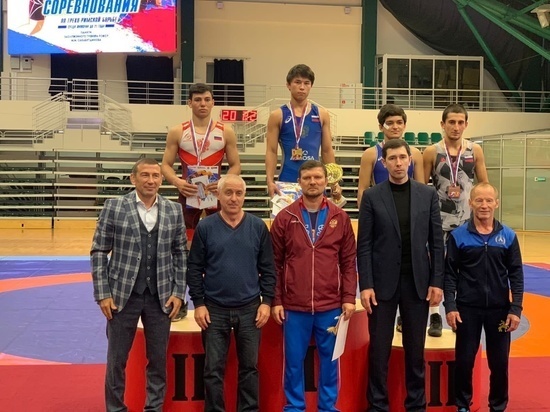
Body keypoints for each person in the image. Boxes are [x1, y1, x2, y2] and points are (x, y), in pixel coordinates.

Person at [91, 158, 187, 412]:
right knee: (116, 361)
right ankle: (115, 409)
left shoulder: (173, 210)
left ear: (161, 180)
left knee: (157, 361)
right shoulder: (114, 207)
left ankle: (153, 408)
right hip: (122, 296)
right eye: (145, 175)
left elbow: (180, 253)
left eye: (155, 175)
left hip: (161, 297)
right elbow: (99, 251)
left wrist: (179, 292)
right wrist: (103, 293)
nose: (151, 180)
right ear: (133, 178)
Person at [357, 139, 444, 412]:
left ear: (410, 160)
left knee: (415, 351)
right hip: (381, 285)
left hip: (417, 283)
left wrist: (436, 282)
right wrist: (366, 284)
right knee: (379, 351)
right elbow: (364, 244)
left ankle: (416, 406)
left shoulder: (427, 194)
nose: (398, 163)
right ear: (384, 163)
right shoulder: (372, 196)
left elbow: (437, 243)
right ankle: (377, 406)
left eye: (402, 158)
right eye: (392, 158)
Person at [270, 160, 357, 411]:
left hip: (330, 305)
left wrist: (348, 297)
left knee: (330, 361)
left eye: (317, 177)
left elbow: (348, 262)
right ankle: (294, 407)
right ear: (299, 182)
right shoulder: (285, 217)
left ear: (326, 181)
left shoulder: (340, 217)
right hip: (294, 305)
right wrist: (277, 299)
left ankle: (328, 407)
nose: (313, 182)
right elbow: (274, 264)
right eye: (307, 178)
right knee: (293, 362)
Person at [186, 174, 276, 411]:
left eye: (238, 193)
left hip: (250, 309)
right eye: (228, 193)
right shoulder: (206, 227)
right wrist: (199, 303)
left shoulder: (258, 227)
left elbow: (268, 268)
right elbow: (194, 268)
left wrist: (266, 301)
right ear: (218, 195)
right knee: (212, 370)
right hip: (214, 309)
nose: (234, 198)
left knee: (250, 368)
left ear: (244, 196)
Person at [161, 82, 241, 321]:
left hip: (216, 196)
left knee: (220, 246)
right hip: (187, 195)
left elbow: (235, 165)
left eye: (207, 99)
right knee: (182, 249)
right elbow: (165, 165)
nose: (202, 104)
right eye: (197, 100)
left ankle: (219, 299)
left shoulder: (226, 131)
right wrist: (177, 182)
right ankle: (180, 298)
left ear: (213, 102)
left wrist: (224, 181)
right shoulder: (178, 131)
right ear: (189, 103)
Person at [444, 183, 524, 412]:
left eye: (489, 200)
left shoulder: (508, 236)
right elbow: (449, 275)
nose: (484, 205)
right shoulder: (458, 236)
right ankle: (462, 405)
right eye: (479, 200)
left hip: (499, 311)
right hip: (467, 310)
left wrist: (515, 308)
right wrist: (450, 306)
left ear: (496, 203)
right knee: (464, 361)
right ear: (470, 203)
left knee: (499, 364)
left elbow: (516, 274)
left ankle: (497, 406)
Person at [423, 103, 489, 336]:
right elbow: (421, 189)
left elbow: (484, 187)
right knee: (435, 268)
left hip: (466, 223)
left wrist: (484, 219)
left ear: (466, 124)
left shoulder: (475, 150)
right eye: (451, 122)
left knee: (466, 269)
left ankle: (461, 312)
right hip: (437, 222)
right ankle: (434, 316)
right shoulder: (432, 152)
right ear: (442, 124)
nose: (456, 126)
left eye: (461, 122)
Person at [265, 64, 342, 203]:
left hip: (315, 180)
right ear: (288, 85)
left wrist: (334, 182)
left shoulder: (321, 114)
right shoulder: (278, 115)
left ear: (311, 86)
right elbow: (271, 151)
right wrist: (270, 181)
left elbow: (327, 150)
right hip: (287, 180)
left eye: (306, 83)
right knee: (288, 217)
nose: (302, 87)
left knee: (317, 217)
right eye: (297, 82)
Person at [357, 104, 424, 206]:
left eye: (399, 122)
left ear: (404, 125)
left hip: (407, 207)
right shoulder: (370, 154)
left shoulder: (415, 154)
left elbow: (421, 189)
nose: (395, 127)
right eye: (390, 123)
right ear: (381, 127)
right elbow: (362, 190)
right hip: (380, 208)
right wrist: (364, 214)